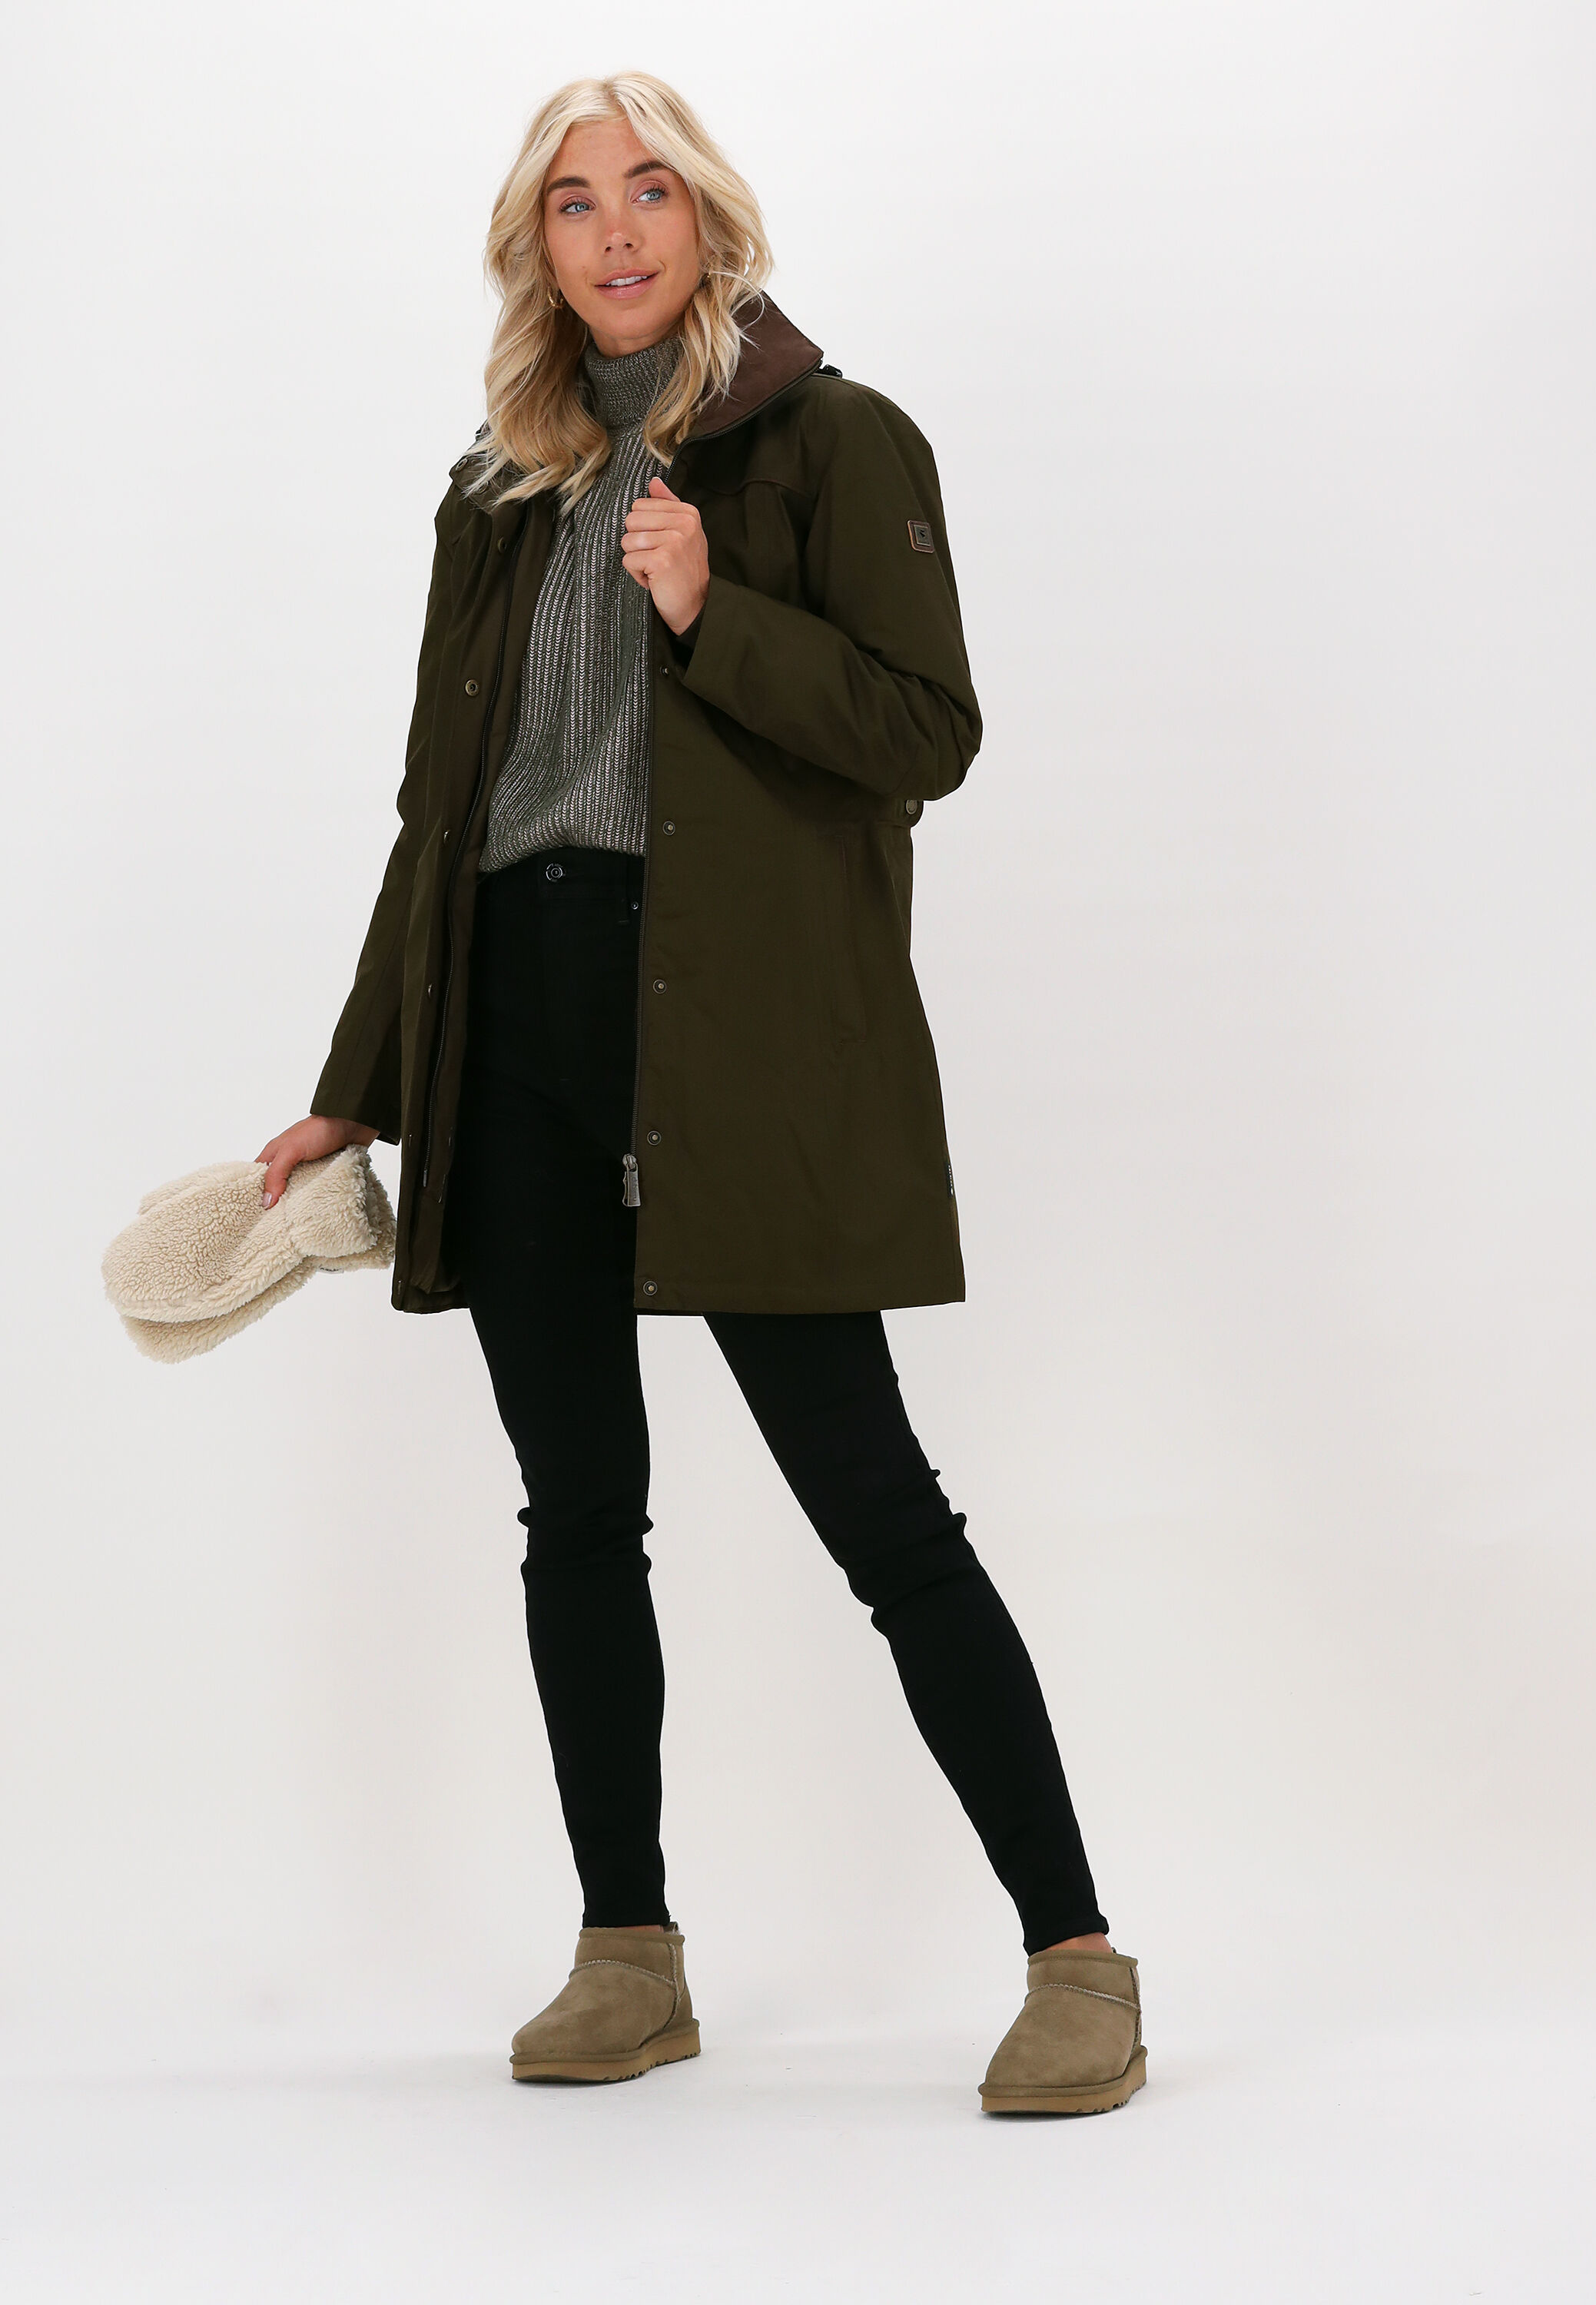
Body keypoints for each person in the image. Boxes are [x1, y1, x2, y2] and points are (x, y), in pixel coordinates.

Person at [256, 71, 1144, 2117]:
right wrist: (358, 1086)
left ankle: (1078, 1957)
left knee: (880, 1511)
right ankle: (627, 1954)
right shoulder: (496, 489)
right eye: (574, 202)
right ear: (537, 247)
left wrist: (708, 610)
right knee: (576, 1515)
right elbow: (439, 814)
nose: (616, 230)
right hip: (517, 1034)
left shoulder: (834, 438)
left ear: (710, 216)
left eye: (648, 189)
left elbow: (925, 732)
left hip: (729, 1040)